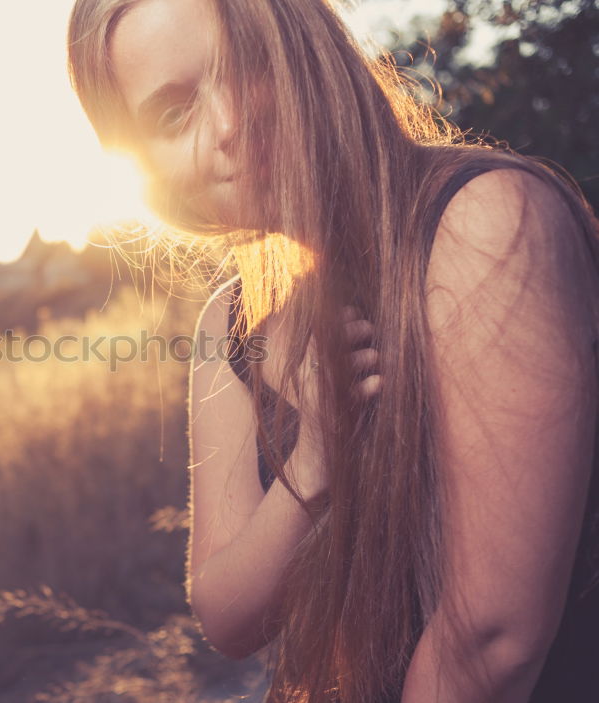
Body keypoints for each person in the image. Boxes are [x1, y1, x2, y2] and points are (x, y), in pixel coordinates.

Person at [67, 1, 599, 701]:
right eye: (173, 115)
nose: (228, 126)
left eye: (246, 63)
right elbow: (226, 614)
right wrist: (317, 460)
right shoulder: (227, 321)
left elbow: (492, 639)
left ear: (303, 37)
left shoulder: (484, 220)